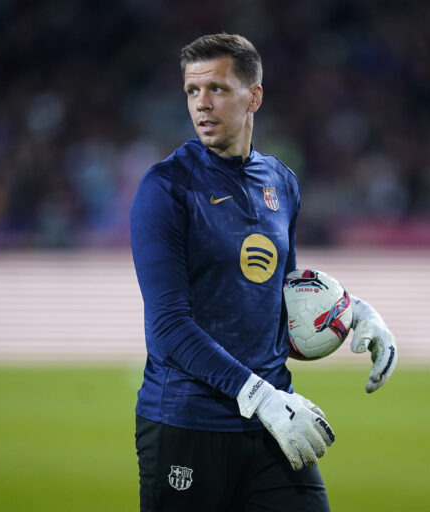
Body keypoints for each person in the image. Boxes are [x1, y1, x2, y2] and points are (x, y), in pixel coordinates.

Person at [129, 33, 397, 512]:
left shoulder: (281, 182)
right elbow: (168, 327)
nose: (202, 105)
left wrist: (352, 311)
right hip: (190, 424)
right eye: (193, 91)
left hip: (272, 421)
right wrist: (261, 397)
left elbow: (283, 297)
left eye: (217, 89)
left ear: (253, 97)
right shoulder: (165, 188)